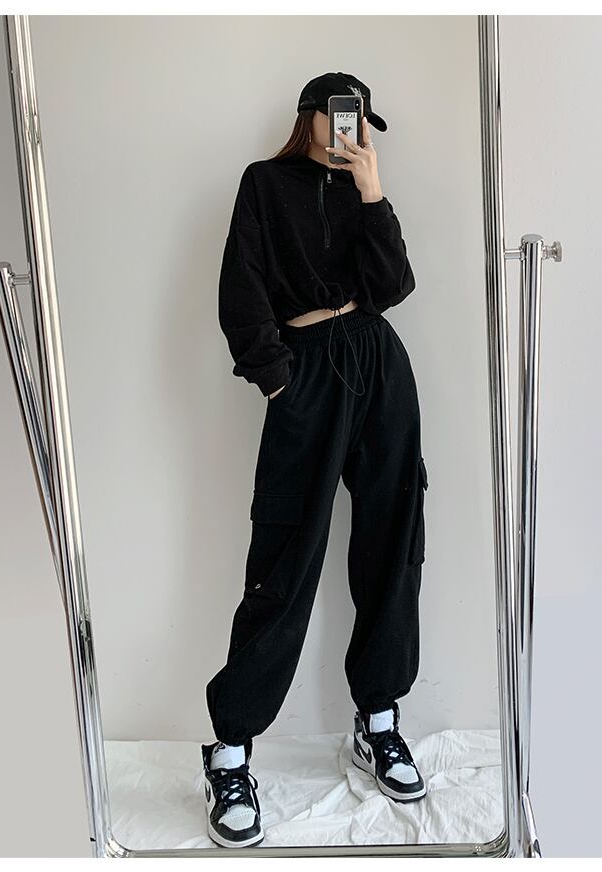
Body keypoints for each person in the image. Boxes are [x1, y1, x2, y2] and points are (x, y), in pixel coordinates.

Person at [201, 72, 429, 849]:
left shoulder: (366, 189)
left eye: (361, 121)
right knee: (286, 553)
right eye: (342, 117)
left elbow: (393, 286)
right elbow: (241, 289)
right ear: (312, 119)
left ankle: (379, 720)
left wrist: (374, 194)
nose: (352, 131)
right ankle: (231, 748)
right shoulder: (264, 184)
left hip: (378, 360)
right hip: (305, 370)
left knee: (394, 539)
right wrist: (277, 380)